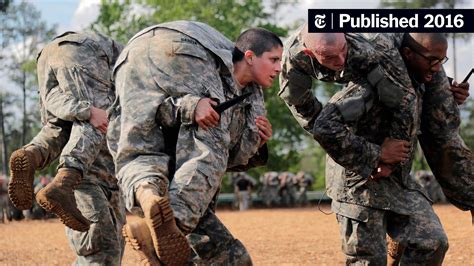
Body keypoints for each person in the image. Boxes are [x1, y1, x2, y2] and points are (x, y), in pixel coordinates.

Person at [108, 21, 281, 265]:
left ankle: (148, 197)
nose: (280, 68)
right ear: (250, 57)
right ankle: (172, 224)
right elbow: (215, 150)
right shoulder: (218, 69)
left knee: (236, 260)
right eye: (274, 59)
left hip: (129, 55)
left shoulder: (250, 97)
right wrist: (195, 104)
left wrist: (258, 141)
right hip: (183, 43)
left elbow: (158, 113)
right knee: (211, 140)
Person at [279, 26, 473, 219]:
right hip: (380, 70)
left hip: (412, 58)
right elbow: (305, 111)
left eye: (342, 51)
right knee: (345, 129)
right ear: (308, 52)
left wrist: (390, 160)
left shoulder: (374, 47)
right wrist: (361, 154)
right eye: (329, 57)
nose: (339, 61)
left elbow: (405, 103)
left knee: (442, 131)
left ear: (346, 38)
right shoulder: (293, 59)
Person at [313, 33, 452, 264]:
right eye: (432, 60)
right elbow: (325, 127)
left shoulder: (418, 81)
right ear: (408, 54)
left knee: (433, 242)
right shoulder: (370, 85)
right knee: (368, 261)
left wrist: (448, 98)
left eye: (442, 61)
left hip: (398, 182)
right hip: (360, 185)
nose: (437, 68)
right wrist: (376, 155)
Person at [10, 31, 125, 264]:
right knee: (96, 116)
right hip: (83, 51)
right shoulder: (134, 64)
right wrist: (90, 112)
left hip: (47, 54)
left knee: (59, 124)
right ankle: (65, 181)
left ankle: (32, 154)